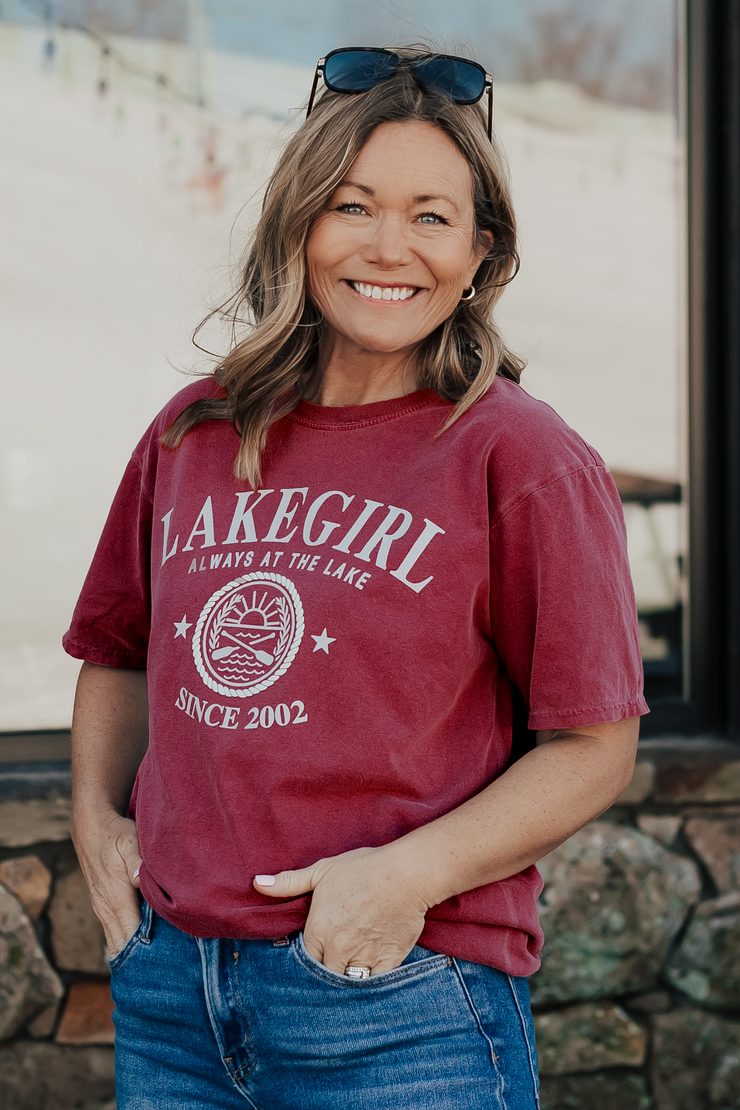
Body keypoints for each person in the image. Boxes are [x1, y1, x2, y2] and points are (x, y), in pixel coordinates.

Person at [65, 46, 647, 1110]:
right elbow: (118, 648)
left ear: (479, 251)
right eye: (352, 205)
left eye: (431, 216)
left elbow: (592, 746)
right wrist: (96, 828)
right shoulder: (196, 431)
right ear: (299, 224)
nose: (390, 247)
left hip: (396, 994)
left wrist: (401, 880)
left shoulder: (518, 458)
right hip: (170, 994)